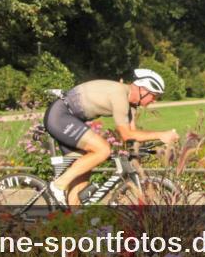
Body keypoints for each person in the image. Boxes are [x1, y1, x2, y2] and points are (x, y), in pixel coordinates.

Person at [44, 68, 179, 206]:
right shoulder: (120, 95)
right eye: (154, 96)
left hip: (69, 119)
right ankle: (57, 186)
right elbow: (126, 134)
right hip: (60, 116)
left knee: (82, 173)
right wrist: (160, 134)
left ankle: (71, 215)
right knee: (103, 149)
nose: (154, 101)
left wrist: (148, 148)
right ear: (143, 90)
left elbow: (132, 136)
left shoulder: (131, 106)